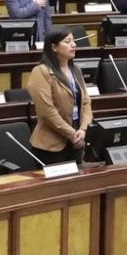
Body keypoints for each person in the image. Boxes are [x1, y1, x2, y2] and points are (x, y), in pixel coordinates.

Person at [26, 29, 92, 165]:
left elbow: (86, 103)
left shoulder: (76, 70)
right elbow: (47, 111)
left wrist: (83, 129)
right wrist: (72, 133)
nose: (73, 45)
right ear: (54, 47)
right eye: (67, 42)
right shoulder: (41, 71)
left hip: (75, 142)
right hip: (50, 146)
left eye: (73, 41)